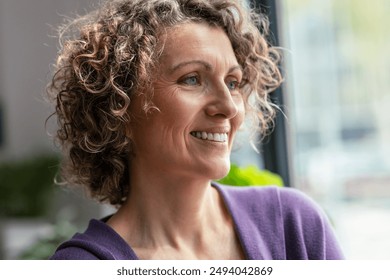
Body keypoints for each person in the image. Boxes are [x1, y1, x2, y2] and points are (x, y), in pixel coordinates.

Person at [48, 0, 344, 260]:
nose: (228, 107)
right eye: (191, 79)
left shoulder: (293, 225)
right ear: (119, 108)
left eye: (233, 82)